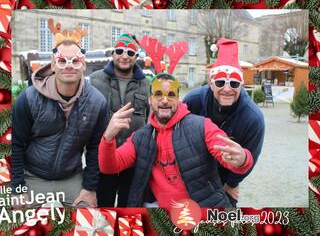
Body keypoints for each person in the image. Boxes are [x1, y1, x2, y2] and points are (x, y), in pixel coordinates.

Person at [98, 73, 254, 207]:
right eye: (158, 94)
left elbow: (229, 156)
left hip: (203, 211)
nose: (165, 100)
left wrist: (242, 159)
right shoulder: (140, 138)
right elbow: (109, 167)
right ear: (150, 100)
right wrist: (108, 137)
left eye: (171, 94)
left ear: (178, 99)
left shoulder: (202, 126)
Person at [12, 24, 108, 207]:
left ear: (83, 65)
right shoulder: (29, 98)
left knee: (89, 219)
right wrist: (18, 188)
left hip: (71, 177)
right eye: (62, 61)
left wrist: (89, 188)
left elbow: (95, 148)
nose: (69, 66)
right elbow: (16, 144)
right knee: (19, 222)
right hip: (33, 176)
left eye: (75, 61)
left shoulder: (97, 103)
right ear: (53, 65)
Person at [183, 38, 265, 206]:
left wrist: (232, 183)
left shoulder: (253, 118)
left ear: (241, 85)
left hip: (225, 180)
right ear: (210, 83)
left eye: (234, 83)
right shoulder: (193, 101)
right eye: (220, 82)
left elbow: (252, 156)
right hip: (190, 177)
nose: (227, 89)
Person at [90, 33, 149, 207]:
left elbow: (149, 118)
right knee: (103, 207)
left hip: (133, 160)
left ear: (136, 57)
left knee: (128, 207)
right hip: (103, 157)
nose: (125, 56)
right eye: (120, 51)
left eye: (130, 52)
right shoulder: (95, 80)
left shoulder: (146, 84)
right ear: (113, 54)